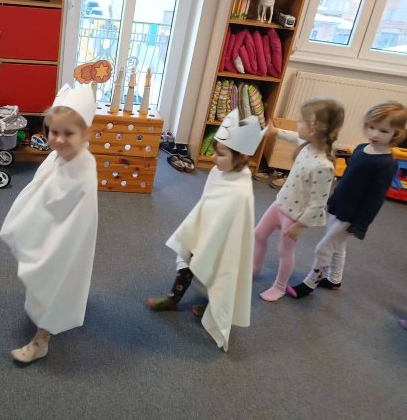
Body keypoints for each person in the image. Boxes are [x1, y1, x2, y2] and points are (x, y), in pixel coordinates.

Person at [148, 109, 267, 351]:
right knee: (187, 262)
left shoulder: (241, 191)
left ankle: (213, 309)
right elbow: (208, 204)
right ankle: (173, 299)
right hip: (205, 233)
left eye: (221, 154)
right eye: (215, 151)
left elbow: (231, 226)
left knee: (218, 277)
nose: (213, 159)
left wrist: (207, 245)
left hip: (221, 244)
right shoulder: (219, 171)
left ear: (242, 156)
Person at [0, 84, 98, 363]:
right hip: (48, 234)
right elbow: (41, 188)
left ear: (86, 134)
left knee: (56, 285)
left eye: (68, 134)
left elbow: (72, 215)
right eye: (53, 132)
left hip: (64, 244)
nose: (59, 140)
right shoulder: (59, 156)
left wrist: (47, 245)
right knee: (45, 285)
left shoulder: (83, 171)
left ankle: (41, 341)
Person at [287, 100, 407, 298]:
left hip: (352, 216)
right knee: (338, 246)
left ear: (396, 134)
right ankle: (334, 279)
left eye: (383, 131)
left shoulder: (387, 164)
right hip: (339, 205)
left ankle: (309, 284)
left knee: (324, 247)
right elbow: (349, 178)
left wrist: (360, 225)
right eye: (371, 127)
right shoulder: (360, 148)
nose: (375, 134)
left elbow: (375, 199)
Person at [253, 98, 345, 301]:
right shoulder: (307, 145)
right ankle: (254, 267)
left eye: (300, 121)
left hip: (295, 217)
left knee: (284, 251)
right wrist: (276, 132)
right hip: (279, 204)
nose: (297, 124)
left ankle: (279, 286)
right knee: (258, 234)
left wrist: (299, 225)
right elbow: (295, 137)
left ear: (313, 129)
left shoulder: (323, 166)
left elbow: (318, 204)